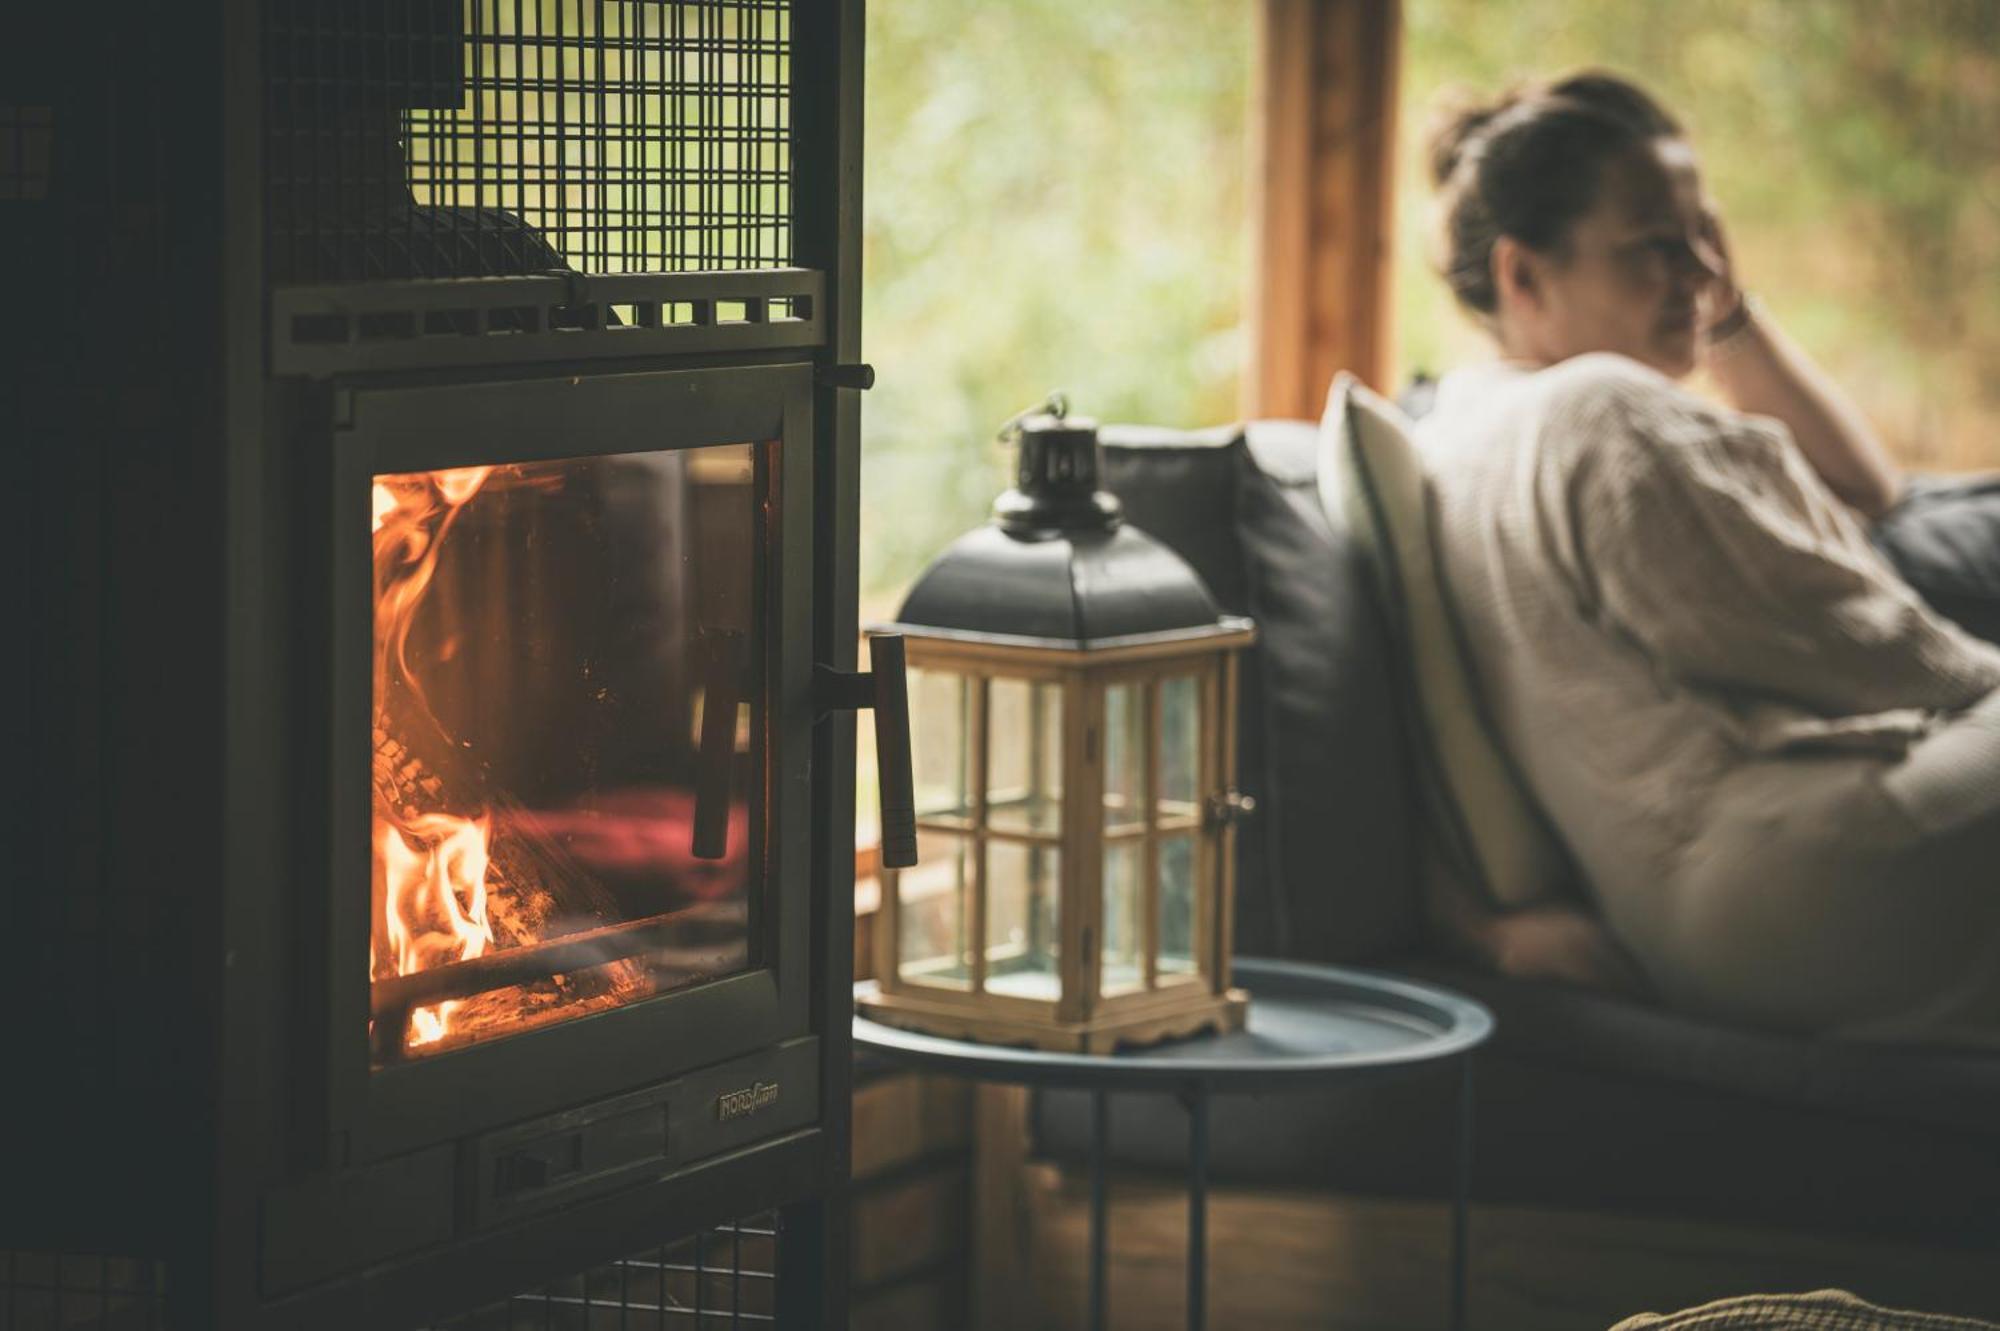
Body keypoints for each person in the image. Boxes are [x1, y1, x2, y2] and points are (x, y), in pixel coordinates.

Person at [1415, 71, 2000, 1046]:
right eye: (1653, 246)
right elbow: (1855, 650)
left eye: (1704, 236)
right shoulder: (1600, 417)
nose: (1699, 270)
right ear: (1522, 276)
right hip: (1804, 875)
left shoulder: (1454, 428)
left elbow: (1864, 493)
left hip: (1715, 898)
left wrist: (1713, 308)